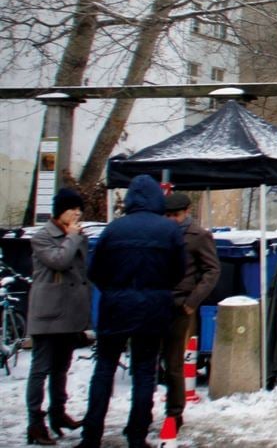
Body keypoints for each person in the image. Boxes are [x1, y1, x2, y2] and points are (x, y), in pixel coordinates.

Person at [77, 175, 185, 448]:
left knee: (104, 370)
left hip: (116, 307)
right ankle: (137, 436)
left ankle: (91, 436)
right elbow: (179, 271)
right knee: (144, 372)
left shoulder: (114, 229)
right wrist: (158, 290)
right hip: (153, 309)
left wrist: (116, 290)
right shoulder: (169, 230)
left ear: (131, 200)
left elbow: (95, 271)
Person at [26, 188, 92, 445]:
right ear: (58, 211)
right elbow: (59, 260)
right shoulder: (42, 237)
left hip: (70, 313)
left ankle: (58, 412)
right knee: (40, 368)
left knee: (61, 367)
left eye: (78, 209)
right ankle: (35, 422)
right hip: (48, 312)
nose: (76, 213)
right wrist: (73, 238)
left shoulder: (75, 235)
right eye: (71, 209)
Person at [159, 192, 220, 434]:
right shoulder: (160, 232)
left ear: (186, 212)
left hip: (181, 303)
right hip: (157, 302)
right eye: (168, 215)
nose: (172, 219)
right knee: (159, 361)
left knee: (174, 362)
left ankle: (175, 412)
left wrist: (192, 301)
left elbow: (212, 270)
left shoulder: (198, 236)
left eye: (176, 215)